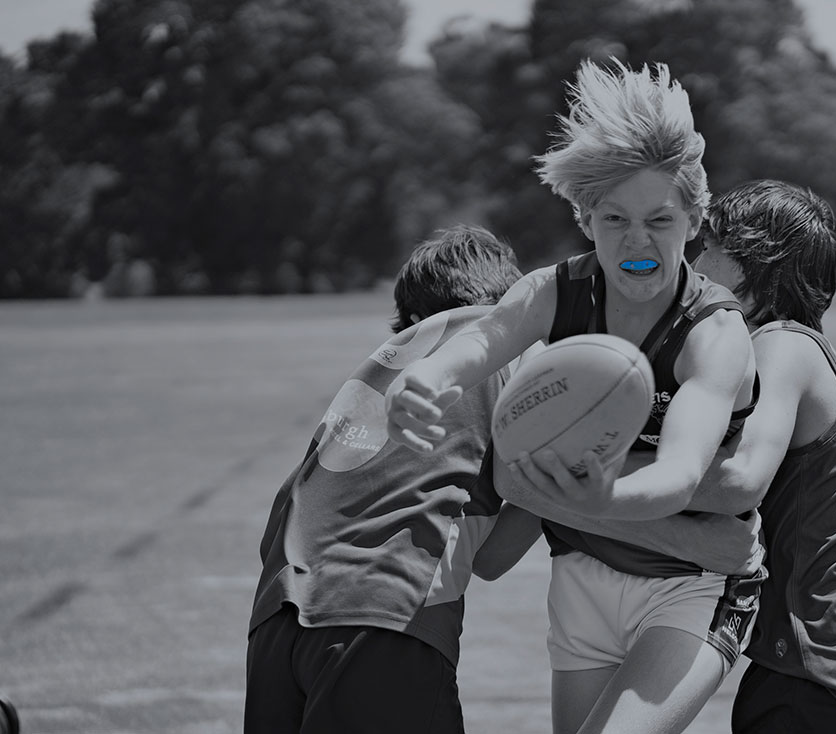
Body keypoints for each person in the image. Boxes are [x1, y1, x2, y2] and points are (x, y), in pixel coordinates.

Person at [387, 60, 764, 734]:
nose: (637, 240)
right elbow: (488, 338)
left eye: (659, 218)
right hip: (581, 582)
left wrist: (598, 501)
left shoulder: (715, 334)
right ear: (585, 220)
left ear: (694, 221)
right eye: (614, 218)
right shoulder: (552, 292)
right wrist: (428, 378)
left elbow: (681, 471)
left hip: (693, 586)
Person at [244, 225, 531, 734]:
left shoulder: (379, 370)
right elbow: (493, 558)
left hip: (277, 617)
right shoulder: (506, 348)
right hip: (385, 619)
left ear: (414, 320)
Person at [688, 180, 836, 733]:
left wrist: (599, 478)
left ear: (754, 262)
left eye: (709, 245)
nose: (695, 260)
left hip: (820, 682)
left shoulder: (783, 345)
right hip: (828, 679)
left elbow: (738, 481)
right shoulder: (791, 351)